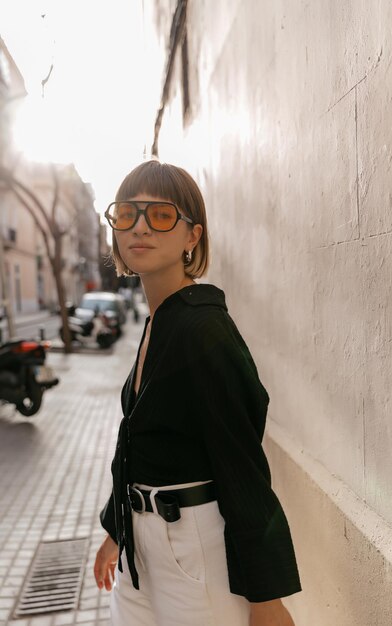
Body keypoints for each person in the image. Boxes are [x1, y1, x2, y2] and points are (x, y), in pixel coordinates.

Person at [94, 159, 301, 626]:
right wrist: (115, 530)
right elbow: (138, 441)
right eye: (127, 213)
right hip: (139, 548)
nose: (140, 227)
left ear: (192, 237)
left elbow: (241, 460)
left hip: (190, 548)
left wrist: (267, 598)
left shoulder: (204, 329)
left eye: (161, 215)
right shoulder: (159, 321)